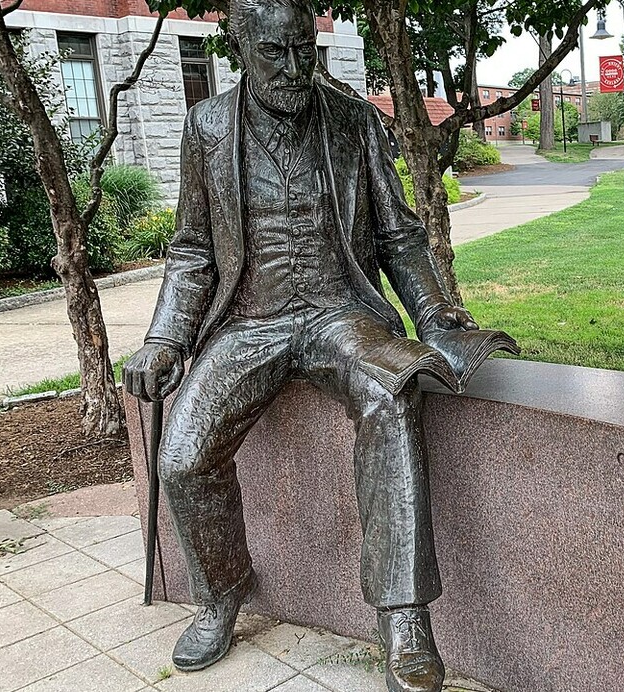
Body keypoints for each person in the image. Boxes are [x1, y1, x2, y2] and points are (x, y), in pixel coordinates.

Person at [122, 1, 473, 689]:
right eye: (274, 53)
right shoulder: (208, 125)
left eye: (302, 50)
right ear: (240, 49)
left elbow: (399, 233)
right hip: (249, 322)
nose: (293, 67)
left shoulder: (355, 122)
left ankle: (403, 617)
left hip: (338, 314)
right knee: (184, 457)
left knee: (393, 395)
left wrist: (435, 316)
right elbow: (193, 249)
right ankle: (221, 593)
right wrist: (165, 338)